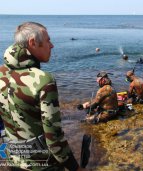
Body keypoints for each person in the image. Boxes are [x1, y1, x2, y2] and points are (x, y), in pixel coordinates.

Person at [0, 22, 87, 171]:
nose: (51, 45)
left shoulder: (1, 72)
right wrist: (74, 167)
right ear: (33, 42)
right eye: (48, 40)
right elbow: (54, 139)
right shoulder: (43, 80)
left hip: (11, 161)